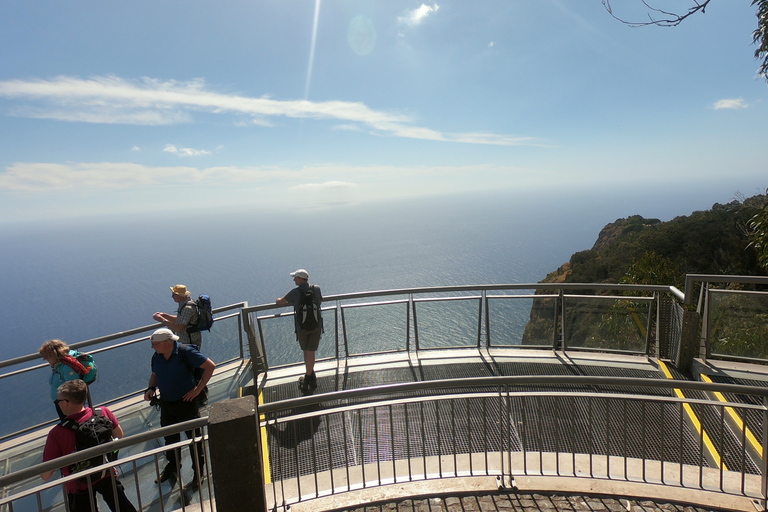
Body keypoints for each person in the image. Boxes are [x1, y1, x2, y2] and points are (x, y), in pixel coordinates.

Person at [41, 379, 137, 512]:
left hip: (78, 485)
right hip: (106, 472)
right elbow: (119, 435)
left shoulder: (57, 433)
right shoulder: (102, 413)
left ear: (67, 403)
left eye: (58, 402)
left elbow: (45, 475)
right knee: (123, 507)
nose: (57, 404)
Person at [144, 328, 215, 491]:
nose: (152, 347)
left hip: (186, 404)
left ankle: (198, 473)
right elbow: (155, 374)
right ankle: (174, 465)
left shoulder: (185, 352)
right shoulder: (157, 356)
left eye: (154, 344)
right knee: (170, 439)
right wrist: (150, 389)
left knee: (194, 440)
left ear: (165, 343)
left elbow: (210, 366)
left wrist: (197, 390)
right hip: (167, 405)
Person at [276, 269, 323, 392]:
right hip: (316, 326)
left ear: (301, 279)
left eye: (295, 277)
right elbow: (319, 301)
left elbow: (280, 302)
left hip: (302, 328)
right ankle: (311, 376)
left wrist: (277, 299)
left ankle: (308, 379)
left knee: (306, 351)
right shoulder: (316, 289)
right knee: (311, 351)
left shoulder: (295, 292)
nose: (294, 279)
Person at [39, 339, 96, 418]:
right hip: (63, 402)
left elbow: (73, 389)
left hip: (67, 405)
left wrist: (68, 408)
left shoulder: (67, 367)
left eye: (47, 357)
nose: (45, 359)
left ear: (55, 355)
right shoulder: (59, 364)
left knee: (70, 426)